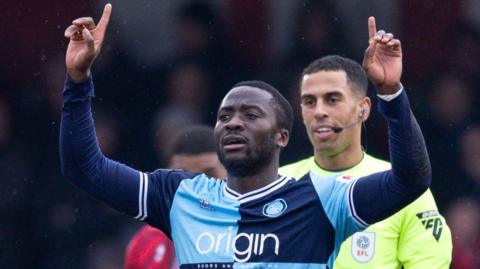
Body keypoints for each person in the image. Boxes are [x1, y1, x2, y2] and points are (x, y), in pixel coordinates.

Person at [60, 4, 431, 268]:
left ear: (282, 137)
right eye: (224, 116)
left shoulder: (322, 199)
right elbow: (84, 168)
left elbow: (410, 179)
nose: (233, 123)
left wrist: (392, 94)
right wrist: (78, 82)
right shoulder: (179, 196)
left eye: (251, 115)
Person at [279, 61, 452, 267]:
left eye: (332, 100)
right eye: (309, 102)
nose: (319, 112)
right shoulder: (278, 184)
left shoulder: (404, 187)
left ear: (363, 109)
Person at [125, 125, 226, 269]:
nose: (195, 189)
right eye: (181, 176)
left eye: (208, 175)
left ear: (231, 176)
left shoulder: (257, 241)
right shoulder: (145, 244)